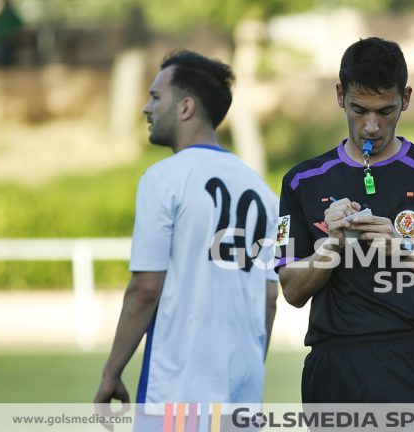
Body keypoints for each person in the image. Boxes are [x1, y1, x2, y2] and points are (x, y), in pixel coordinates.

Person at [275, 37, 414, 403]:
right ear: (340, 94)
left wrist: (404, 248)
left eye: (385, 111)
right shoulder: (302, 179)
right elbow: (292, 292)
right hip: (334, 367)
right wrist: (331, 246)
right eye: (359, 109)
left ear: (405, 98)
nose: (371, 126)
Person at [94, 50, 278, 421]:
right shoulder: (265, 192)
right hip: (243, 392)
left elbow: (145, 290)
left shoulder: (165, 179)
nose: (146, 108)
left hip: (178, 388)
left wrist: (111, 372)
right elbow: (270, 297)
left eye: (155, 97)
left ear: (186, 107)